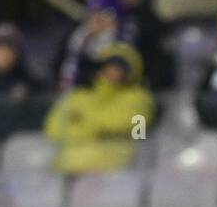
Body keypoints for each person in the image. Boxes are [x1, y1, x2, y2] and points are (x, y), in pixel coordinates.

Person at [44, 42, 154, 174]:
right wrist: (96, 132)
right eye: (109, 66)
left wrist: (84, 120)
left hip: (116, 169)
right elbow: (53, 128)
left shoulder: (140, 98)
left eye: (119, 68)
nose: (113, 71)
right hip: (68, 168)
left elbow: (137, 130)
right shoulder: (77, 96)